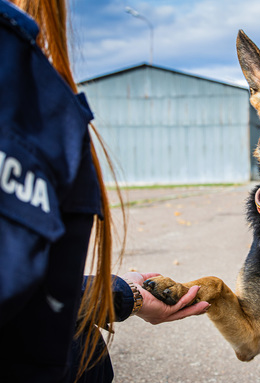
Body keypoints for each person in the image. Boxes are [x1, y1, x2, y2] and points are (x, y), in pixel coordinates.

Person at [0, 0, 209, 381]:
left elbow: (33, 283)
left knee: (88, 345)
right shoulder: (32, 96)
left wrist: (121, 294)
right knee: (85, 350)